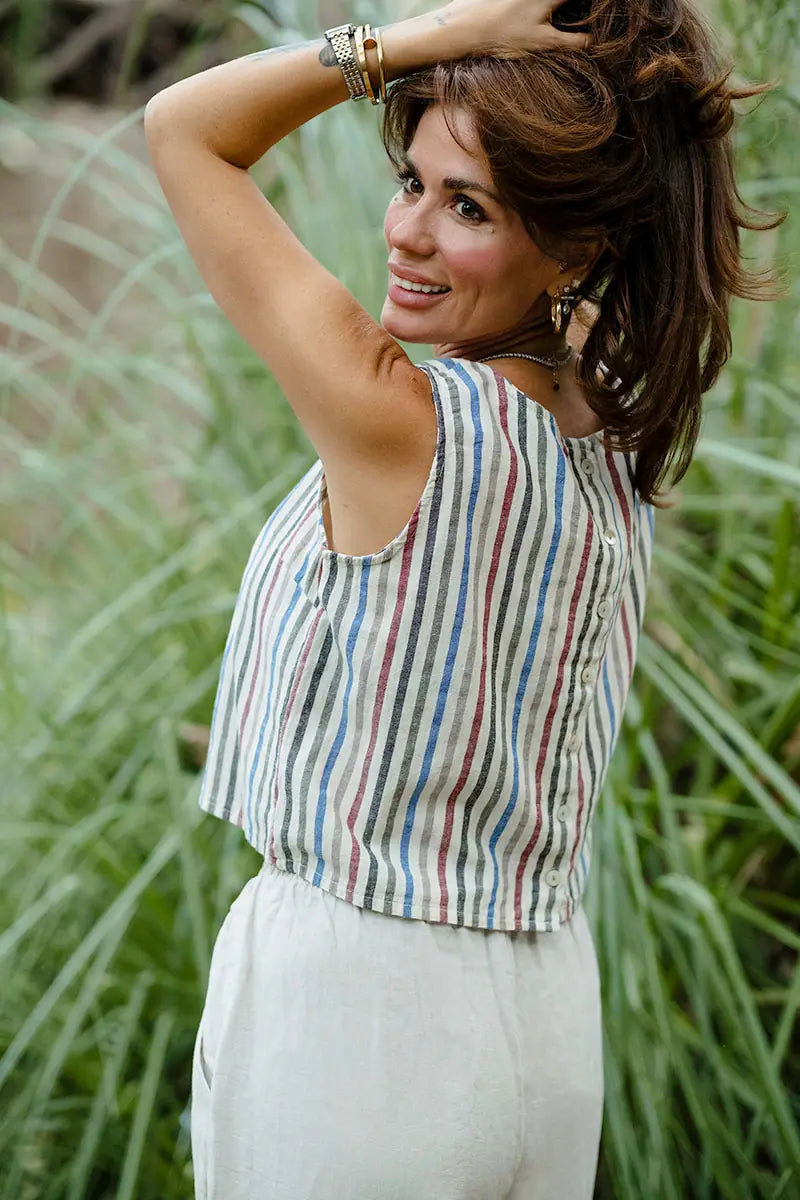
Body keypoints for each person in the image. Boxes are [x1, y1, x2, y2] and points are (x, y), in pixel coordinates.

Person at [144, 2, 780, 1196]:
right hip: (543, 1019)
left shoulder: (403, 420)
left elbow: (184, 130)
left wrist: (426, 37)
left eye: (469, 207)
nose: (409, 235)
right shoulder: (605, 427)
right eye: (412, 182)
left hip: (356, 1015)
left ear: (576, 246)